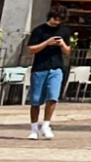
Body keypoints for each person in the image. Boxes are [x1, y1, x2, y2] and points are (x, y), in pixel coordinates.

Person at [25, 9, 70, 139]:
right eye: (56, 19)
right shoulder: (39, 30)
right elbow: (31, 49)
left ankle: (46, 124)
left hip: (56, 68)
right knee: (35, 100)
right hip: (40, 67)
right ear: (51, 17)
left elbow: (68, 52)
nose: (57, 22)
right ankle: (34, 128)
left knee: (53, 96)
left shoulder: (64, 31)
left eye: (60, 20)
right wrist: (46, 43)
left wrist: (62, 45)